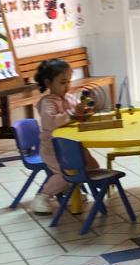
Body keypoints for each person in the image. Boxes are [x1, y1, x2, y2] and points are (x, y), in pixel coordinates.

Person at [31, 58, 98, 216]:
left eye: (68, 81)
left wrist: (84, 112)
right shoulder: (47, 102)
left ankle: (71, 191)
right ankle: (43, 196)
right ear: (48, 83)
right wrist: (74, 114)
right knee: (67, 172)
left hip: (71, 145)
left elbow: (76, 114)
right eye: (62, 82)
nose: (67, 86)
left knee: (91, 165)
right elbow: (51, 122)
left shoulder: (68, 98)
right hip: (53, 149)